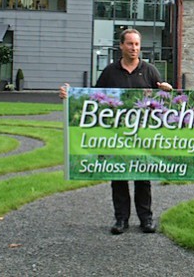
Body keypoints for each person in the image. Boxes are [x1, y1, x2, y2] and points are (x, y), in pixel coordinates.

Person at [60, 28, 172, 235]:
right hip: (116, 135)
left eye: (137, 44)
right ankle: (121, 219)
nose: (134, 48)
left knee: (142, 177)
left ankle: (146, 219)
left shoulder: (149, 71)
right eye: (130, 44)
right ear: (121, 46)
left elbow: (163, 101)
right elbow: (92, 98)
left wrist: (167, 90)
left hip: (142, 135)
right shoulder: (110, 72)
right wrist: (69, 95)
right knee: (118, 175)